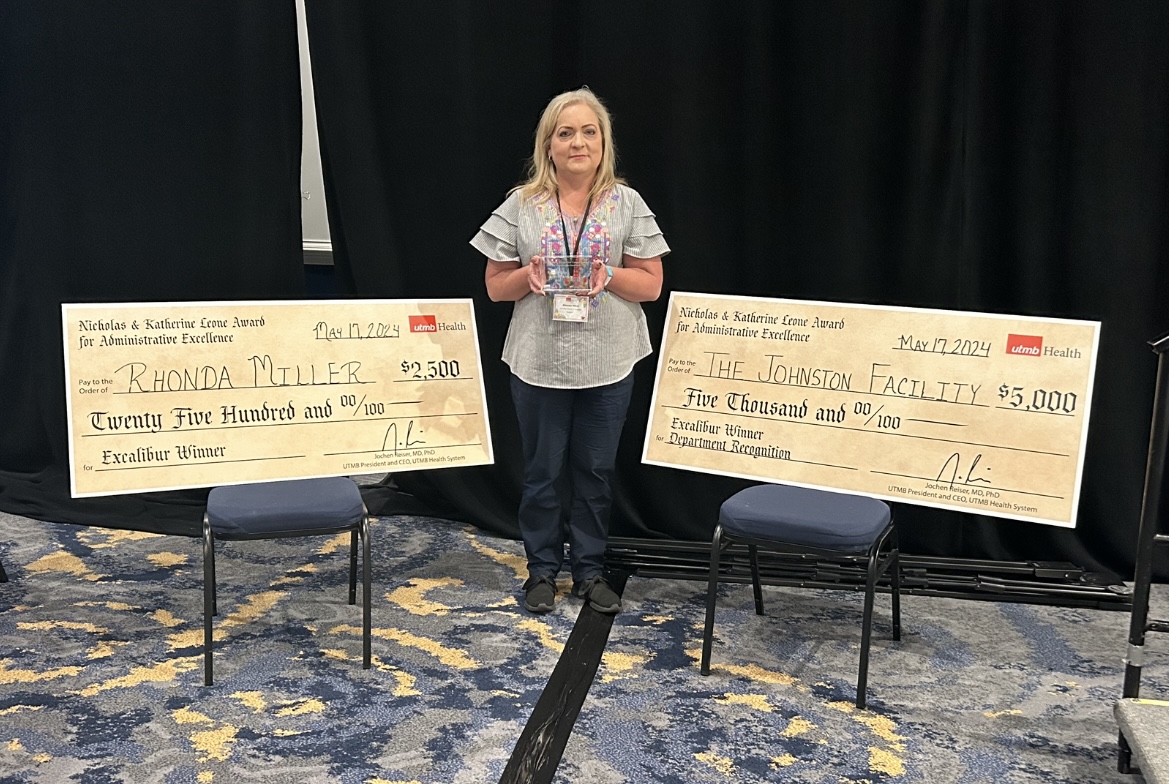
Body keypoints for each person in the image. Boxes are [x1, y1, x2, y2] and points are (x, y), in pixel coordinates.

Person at [470, 88, 669, 614]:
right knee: (541, 475)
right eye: (565, 133)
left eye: (588, 132)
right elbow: (495, 287)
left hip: (609, 361)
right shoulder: (522, 205)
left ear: (604, 143)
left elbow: (651, 285)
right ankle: (541, 571)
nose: (577, 142)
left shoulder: (627, 204)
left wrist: (609, 275)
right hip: (540, 362)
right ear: (548, 146)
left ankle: (589, 571)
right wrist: (527, 276)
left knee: (595, 474)